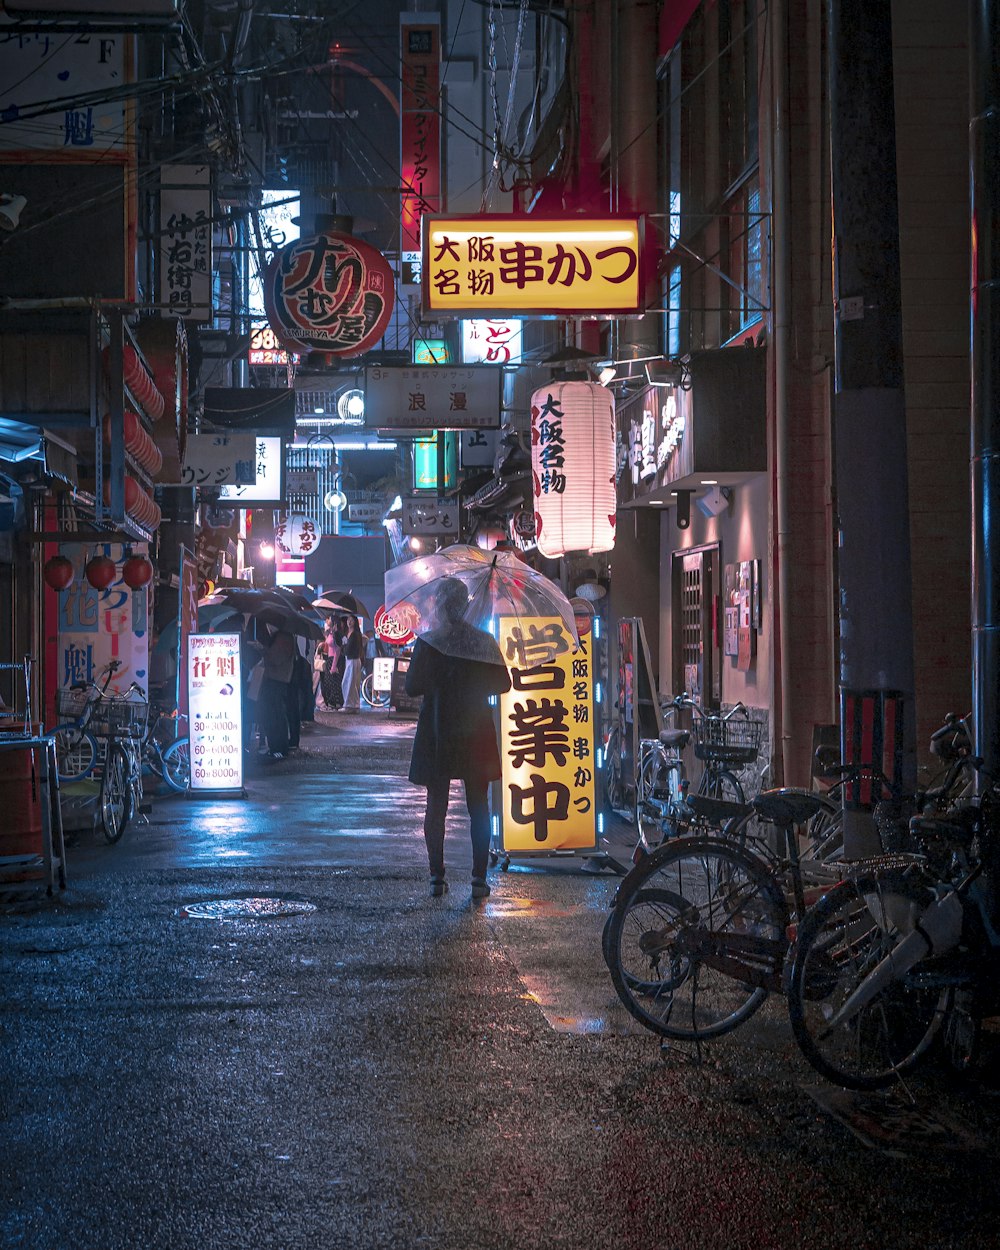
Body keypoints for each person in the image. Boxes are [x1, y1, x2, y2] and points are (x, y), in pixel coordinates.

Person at [405, 578, 511, 899]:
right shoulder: (482, 641)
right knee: (478, 806)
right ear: (466, 604)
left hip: (438, 731)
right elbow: (503, 684)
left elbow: (411, 687)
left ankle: (437, 876)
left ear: (439, 603)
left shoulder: (429, 642)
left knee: (436, 805)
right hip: (475, 732)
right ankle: (479, 878)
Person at [258, 628, 296, 759]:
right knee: (276, 714)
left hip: (276, 680)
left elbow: (276, 658)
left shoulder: (283, 637)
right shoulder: (284, 636)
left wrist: (263, 650)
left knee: (275, 714)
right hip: (277, 679)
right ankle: (277, 747)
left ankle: (277, 748)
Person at [340, 614, 364, 712]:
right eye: (348, 620)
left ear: (355, 622)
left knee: (347, 683)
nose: (349, 622)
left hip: (353, 659)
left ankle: (348, 705)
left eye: (351, 620)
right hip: (350, 659)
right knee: (351, 683)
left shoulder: (355, 634)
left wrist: (344, 645)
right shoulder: (348, 633)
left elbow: (349, 649)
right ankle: (354, 704)